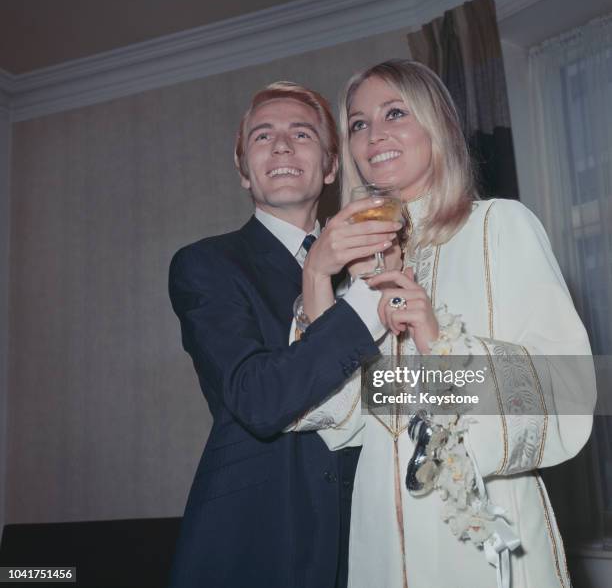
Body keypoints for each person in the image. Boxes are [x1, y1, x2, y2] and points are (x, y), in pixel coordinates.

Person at [288, 60, 595, 588]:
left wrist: (438, 341)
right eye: (358, 123)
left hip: (486, 526)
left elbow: (567, 387)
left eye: (394, 113)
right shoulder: (358, 274)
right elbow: (335, 414)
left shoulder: (500, 226)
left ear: (438, 126)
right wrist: (317, 274)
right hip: (381, 534)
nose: (373, 134)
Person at [167, 81, 404, 588]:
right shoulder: (205, 265)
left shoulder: (381, 262)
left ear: (332, 166)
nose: (281, 145)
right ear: (242, 172)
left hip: (373, 538)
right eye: (262, 136)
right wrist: (364, 301)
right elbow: (257, 398)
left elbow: (396, 399)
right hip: (258, 541)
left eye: (301, 133)